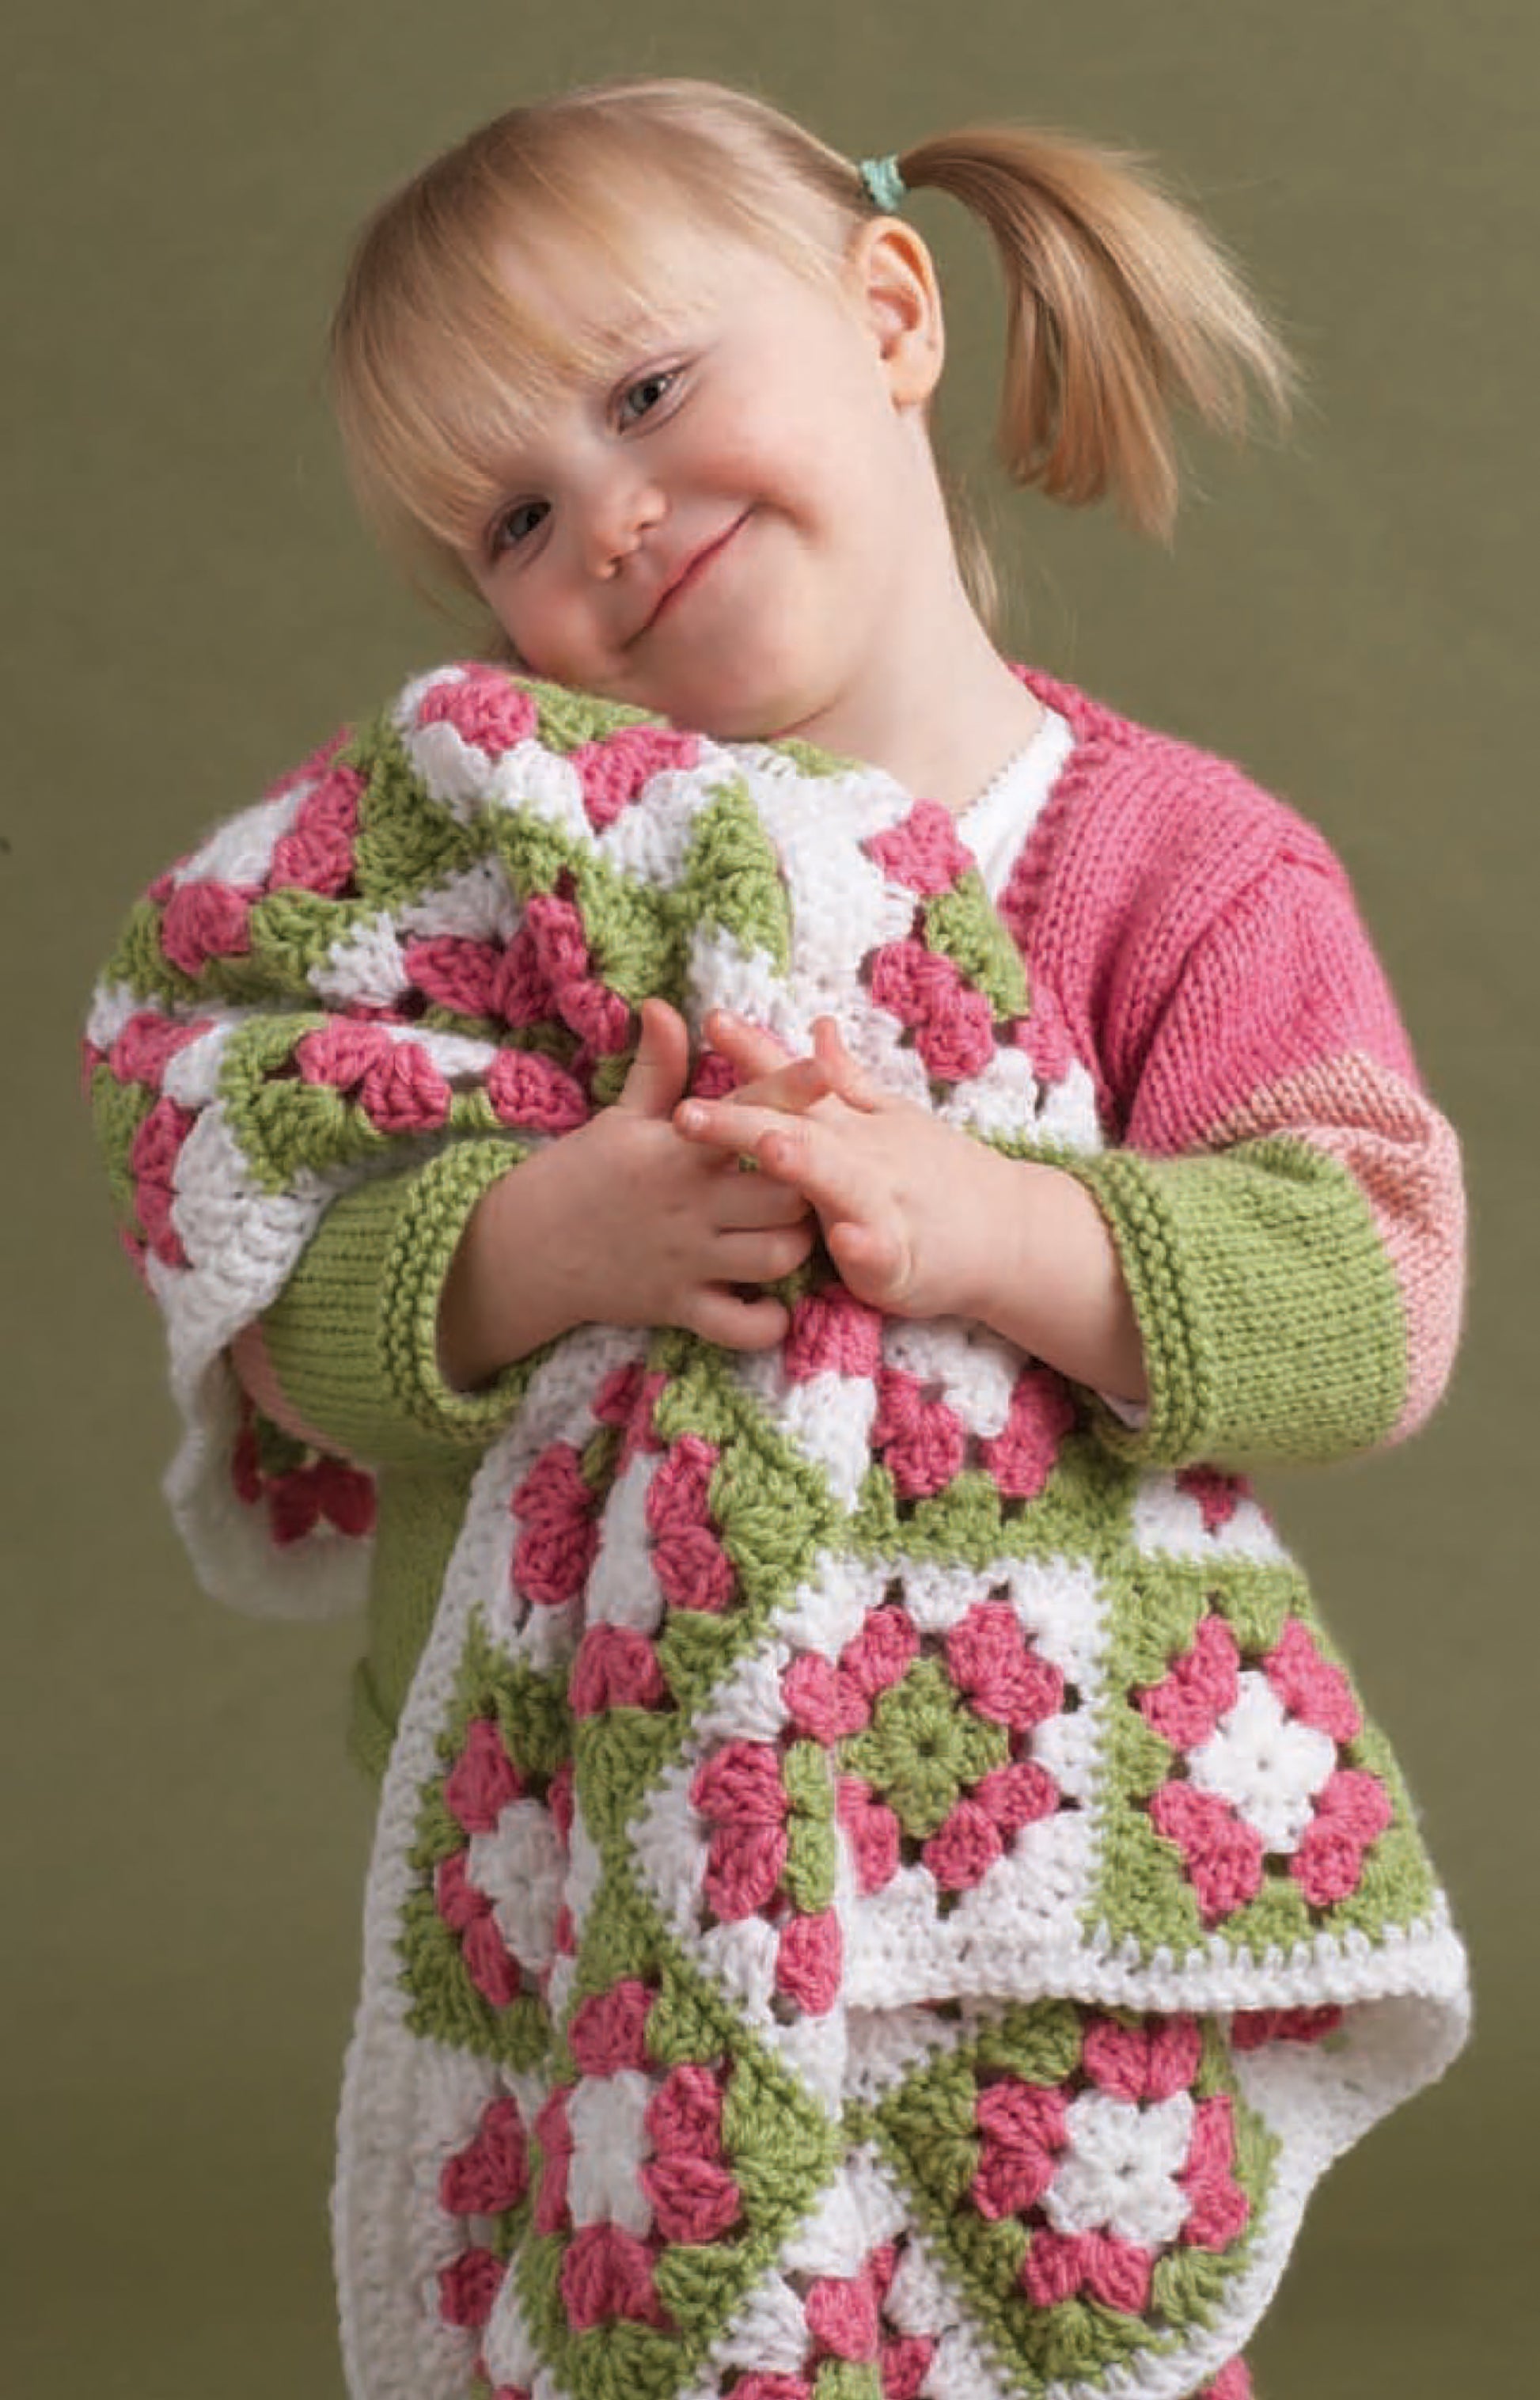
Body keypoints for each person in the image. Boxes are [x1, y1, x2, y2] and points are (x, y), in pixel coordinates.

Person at [86, 74, 1469, 2400]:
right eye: (521, 516)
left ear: (891, 312)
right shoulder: (510, 889)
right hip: (613, 1874)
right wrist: (540, 1243)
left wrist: (993, 1220)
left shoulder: (1175, 873)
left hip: (1028, 1874)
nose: (614, 519)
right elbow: (280, 1312)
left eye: (646, 394)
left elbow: (1367, 1293)